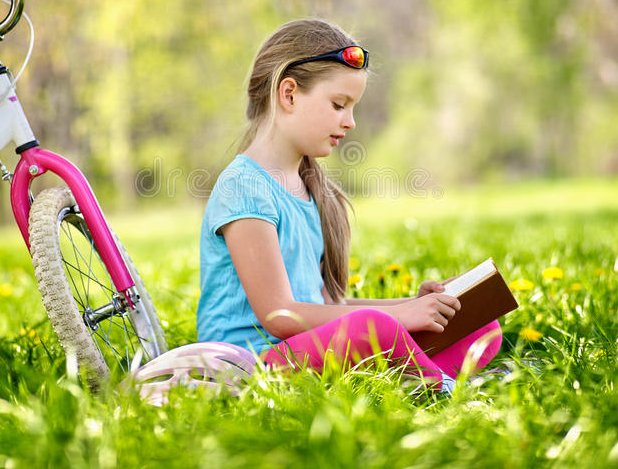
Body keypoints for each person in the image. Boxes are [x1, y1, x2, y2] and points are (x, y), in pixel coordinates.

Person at [196, 19, 501, 392]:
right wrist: (398, 317)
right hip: (251, 368)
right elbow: (280, 316)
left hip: (312, 352)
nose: (351, 121)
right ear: (288, 94)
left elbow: (325, 307)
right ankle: (441, 388)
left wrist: (413, 306)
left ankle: (418, 382)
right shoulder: (244, 187)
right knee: (373, 329)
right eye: (339, 105)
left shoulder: (307, 188)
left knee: (475, 321)